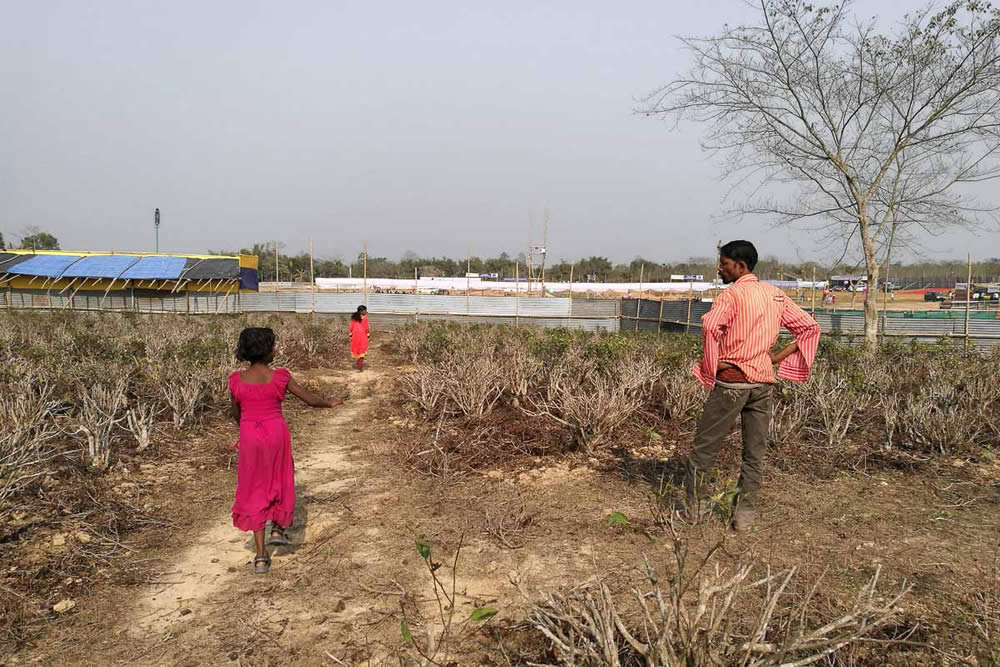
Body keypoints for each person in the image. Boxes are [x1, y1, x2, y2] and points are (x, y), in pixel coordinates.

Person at [677, 241, 820, 532]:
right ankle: (744, 515)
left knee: (704, 450)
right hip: (762, 385)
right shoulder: (775, 295)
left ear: (740, 267)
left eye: (724, 263)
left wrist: (713, 363)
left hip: (732, 384)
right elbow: (810, 328)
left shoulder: (731, 296)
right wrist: (774, 358)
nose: (719, 268)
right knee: (754, 454)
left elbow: (709, 327)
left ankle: (696, 512)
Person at [229, 327, 343, 573]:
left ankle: (260, 556)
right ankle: (278, 528)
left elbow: (236, 414)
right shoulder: (281, 376)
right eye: (273, 345)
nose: (275, 349)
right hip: (276, 434)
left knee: (253, 488)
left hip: (250, 435)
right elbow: (309, 399)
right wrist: (329, 402)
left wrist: (248, 431)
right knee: (280, 477)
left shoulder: (236, 380)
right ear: (267, 350)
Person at [350, 305, 370, 372]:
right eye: (365, 310)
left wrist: (351, 335)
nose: (366, 312)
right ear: (361, 311)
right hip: (362, 336)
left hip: (355, 336)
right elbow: (366, 328)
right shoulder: (365, 319)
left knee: (358, 349)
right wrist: (368, 335)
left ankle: (359, 365)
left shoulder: (354, 318)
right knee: (362, 350)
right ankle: (359, 366)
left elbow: (351, 327)